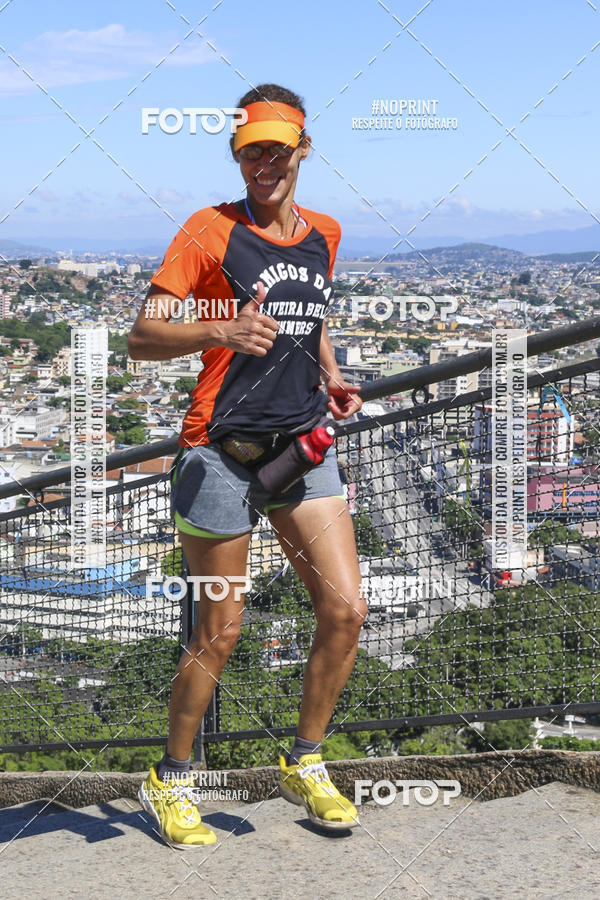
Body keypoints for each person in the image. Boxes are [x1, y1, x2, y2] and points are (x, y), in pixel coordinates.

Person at [129, 83, 367, 848]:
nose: (261, 162)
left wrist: (329, 374)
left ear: (303, 148)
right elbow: (141, 334)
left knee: (345, 610)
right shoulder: (209, 230)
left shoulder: (324, 233)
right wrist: (216, 328)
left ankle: (305, 759)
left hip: (300, 448)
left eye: (274, 147)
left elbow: (313, 315)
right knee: (220, 631)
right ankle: (171, 780)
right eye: (247, 149)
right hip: (218, 452)